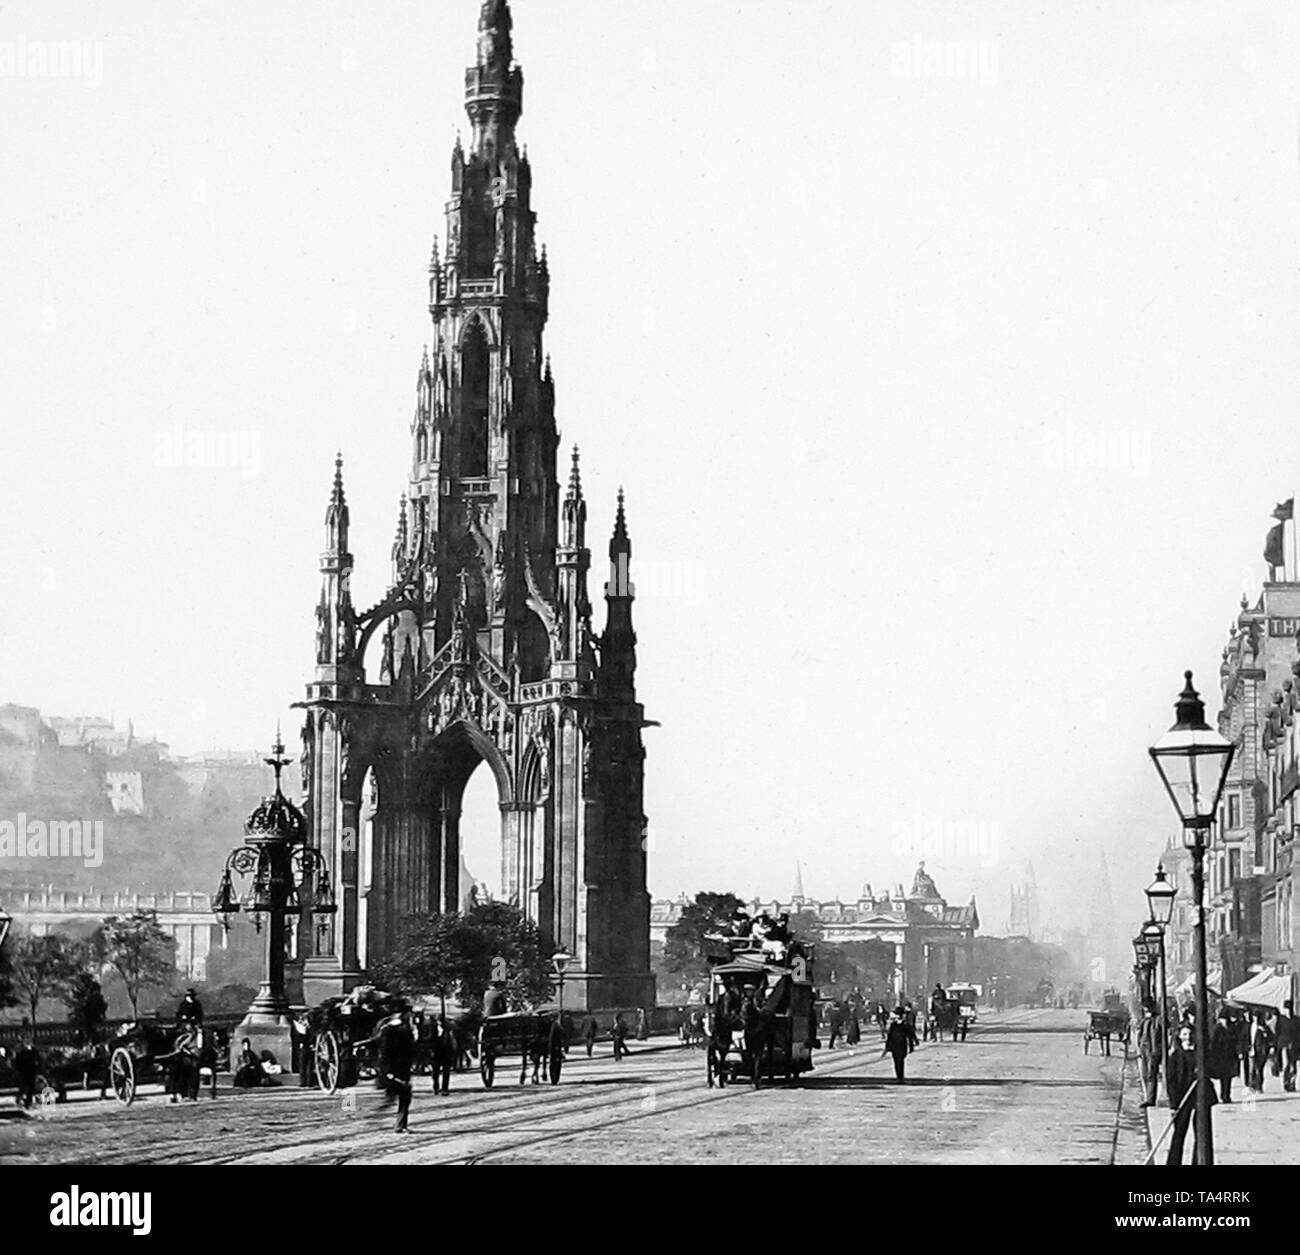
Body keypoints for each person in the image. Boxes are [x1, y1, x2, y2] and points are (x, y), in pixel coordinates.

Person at [1165, 1023, 1217, 1165]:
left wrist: (1203, 1070)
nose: (1188, 1037)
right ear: (1180, 1036)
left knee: (1202, 1134)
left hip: (1200, 1097)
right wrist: (1173, 1104)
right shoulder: (1175, 1056)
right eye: (1185, 1034)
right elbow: (1171, 1082)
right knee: (1179, 1133)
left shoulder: (1201, 1055)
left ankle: (1199, 1161)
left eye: (1190, 1034)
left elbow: (1213, 1070)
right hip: (1183, 1098)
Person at [376, 1008, 415, 1133]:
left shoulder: (407, 1032)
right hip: (393, 1069)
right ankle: (397, 1122)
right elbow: (385, 1052)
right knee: (400, 1094)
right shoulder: (388, 1032)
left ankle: (400, 1124)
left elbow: (411, 1050)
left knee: (405, 1095)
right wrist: (388, 1070)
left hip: (403, 1068)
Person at [1208, 1007, 1238, 1103]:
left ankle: (1226, 1095)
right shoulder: (1217, 1029)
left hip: (1229, 1056)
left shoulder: (1232, 1028)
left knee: (1228, 1078)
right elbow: (1213, 1043)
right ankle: (1223, 1095)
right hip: (1219, 1056)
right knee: (1222, 1077)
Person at [1248, 1010, 1275, 1093]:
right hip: (1251, 1050)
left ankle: (1259, 1086)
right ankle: (1252, 1086)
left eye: (1256, 1017)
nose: (1255, 1018)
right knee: (1251, 1069)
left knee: (1259, 1069)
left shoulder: (1264, 1027)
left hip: (1261, 1051)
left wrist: (1271, 1046)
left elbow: (1270, 1038)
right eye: (1253, 1016)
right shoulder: (1249, 1026)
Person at [884, 1009, 911, 1083]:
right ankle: (898, 1077)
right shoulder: (893, 1025)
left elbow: (910, 1036)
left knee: (900, 1061)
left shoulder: (905, 1025)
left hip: (902, 1046)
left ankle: (901, 1077)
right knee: (896, 1062)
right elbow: (890, 1036)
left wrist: (911, 1046)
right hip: (895, 1046)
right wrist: (887, 1046)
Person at [13, 1039, 41, 1110]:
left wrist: (37, 1067)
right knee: (24, 1087)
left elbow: (39, 1060)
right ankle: (22, 1100)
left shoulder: (34, 1051)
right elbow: (17, 1062)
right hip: (24, 1072)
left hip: (31, 1071)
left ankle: (28, 1102)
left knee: (30, 1087)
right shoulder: (22, 1052)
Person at [432, 1016, 457, 1096]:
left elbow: (452, 1042)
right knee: (436, 1071)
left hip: (446, 1052)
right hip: (436, 1051)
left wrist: (452, 1052)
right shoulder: (433, 1029)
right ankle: (436, 1086)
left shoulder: (448, 1031)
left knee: (446, 1072)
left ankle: (444, 1088)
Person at [1278, 1001, 1298, 1092]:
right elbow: (1277, 1033)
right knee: (1286, 1065)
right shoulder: (1281, 1020)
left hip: (1294, 1046)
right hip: (1284, 1045)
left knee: (1293, 1066)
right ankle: (1286, 1083)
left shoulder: (1296, 1020)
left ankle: (1292, 1083)